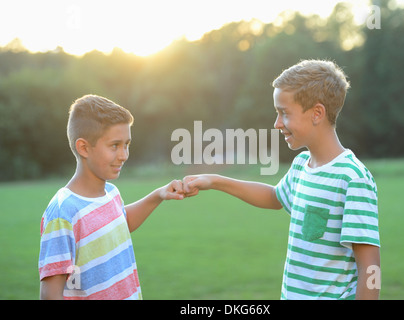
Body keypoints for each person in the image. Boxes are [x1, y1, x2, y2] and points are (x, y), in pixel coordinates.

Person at [182, 59, 381, 300]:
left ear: (317, 113)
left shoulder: (353, 179)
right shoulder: (301, 166)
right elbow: (274, 197)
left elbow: (370, 267)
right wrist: (215, 181)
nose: (277, 124)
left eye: (284, 113)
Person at [38, 94, 184, 300]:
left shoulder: (111, 192)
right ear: (84, 148)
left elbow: (121, 222)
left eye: (127, 144)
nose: (124, 155)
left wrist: (158, 195)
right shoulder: (64, 212)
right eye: (115, 145)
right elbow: (50, 294)